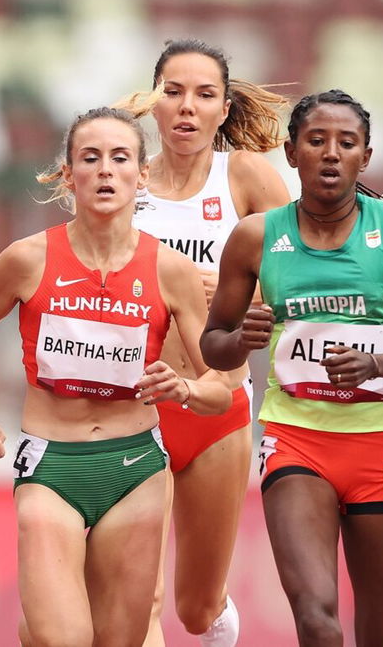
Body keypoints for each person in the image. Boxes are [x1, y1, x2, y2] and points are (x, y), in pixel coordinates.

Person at [0, 107, 231, 646]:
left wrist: (186, 389)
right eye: (90, 158)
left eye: (120, 158)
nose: (105, 171)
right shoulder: (27, 259)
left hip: (137, 470)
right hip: (52, 465)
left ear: (141, 174)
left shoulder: (170, 269)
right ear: (67, 174)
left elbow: (220, 388)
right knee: (64, 639)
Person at [201, 89, 383, 646]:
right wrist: (240, 339)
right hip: (296, 439)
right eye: (316, 141)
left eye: (346, 143)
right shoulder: (255, 237)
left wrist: (377, 363)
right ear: (293, 153)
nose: (330, 153)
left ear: (364, 158)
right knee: (318, 623)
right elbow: (213, 346)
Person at [125, 37, 292, 646]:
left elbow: (306, 278)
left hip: (218, 402)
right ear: (153, 103)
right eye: (173, 93)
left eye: (204, 95)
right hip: (134, 407)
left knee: (196, 608)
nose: (187, 108)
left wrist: (229, 288)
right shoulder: (125, 180)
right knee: (139, 595)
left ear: (224, 109)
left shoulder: (244, 176)